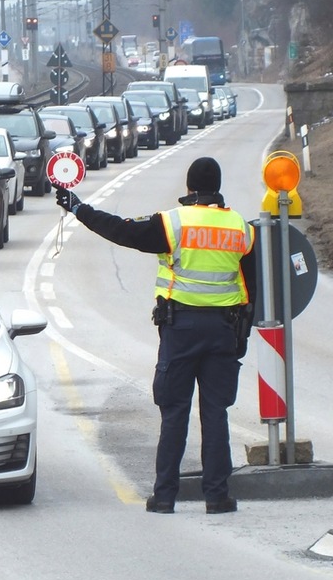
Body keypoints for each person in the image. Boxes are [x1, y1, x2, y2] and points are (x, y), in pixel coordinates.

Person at [55, 157, 256, 514]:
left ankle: (164, 497)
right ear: (217, 186)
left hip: (181, 330)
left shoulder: (173, 223)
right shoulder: (240, 227)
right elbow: (251, 284)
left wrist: (79, 209)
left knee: (174, 412)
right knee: (215, 414)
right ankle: (217, 497)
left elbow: (121, 231)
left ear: (190, 188)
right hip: (224, 330)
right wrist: (242, 331)